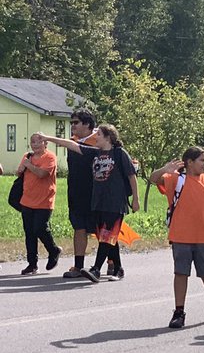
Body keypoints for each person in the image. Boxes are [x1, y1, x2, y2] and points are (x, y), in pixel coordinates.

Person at [150, 147, 204, 329]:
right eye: (202, 160)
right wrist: (164, 170)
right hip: (181, 234)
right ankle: (179, 312)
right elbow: (153, 179)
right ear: (190, 162)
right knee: (180, 273)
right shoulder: (176, 179)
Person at [40, 124, 139, 283]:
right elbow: (73, 145)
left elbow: (131, 176)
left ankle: (96, 269)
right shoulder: (95, 153)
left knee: (106, 236)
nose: (96, 137)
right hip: (98, 202)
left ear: (108, 137)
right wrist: (48, 138)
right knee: (107, 236)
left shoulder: (119, 153)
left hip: (115, 202)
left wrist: (136, 199)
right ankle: (119, 268)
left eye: (98, 134)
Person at [61, 109, 100, 278]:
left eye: (76, 123)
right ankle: (78, 266)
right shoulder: (72, 142)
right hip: (76, 193)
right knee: (79, 227)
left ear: (87, 124)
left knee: (102, 230)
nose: (72, 126)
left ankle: (113, 263)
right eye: (72, 123)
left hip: (96, 193)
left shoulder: (100, 142)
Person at [14, 133, 61, 275]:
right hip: (27, 200)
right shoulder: (27, 156)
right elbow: (18, 173)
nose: (35, 144)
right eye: (32, 142)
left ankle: (54, 250)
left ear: (45, 144)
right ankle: (32, 264)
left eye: (38, 141)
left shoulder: (50, 157)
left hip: (44, 200)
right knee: (29, 233)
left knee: (40, 228)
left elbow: (42, 174)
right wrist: (21, 169)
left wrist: (29, 165)